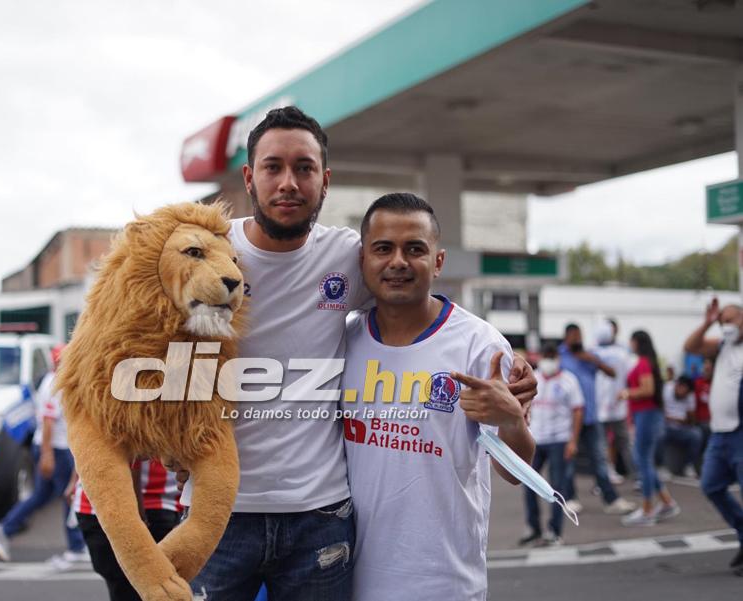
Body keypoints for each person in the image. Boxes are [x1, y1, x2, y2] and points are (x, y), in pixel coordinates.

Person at [180, 106, 538, 600]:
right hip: (217, 509)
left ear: (325, 181)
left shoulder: (348, 256)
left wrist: (511, 379)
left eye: (304, 168)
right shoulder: (199, 254)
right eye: (273, 167)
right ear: (248, 176)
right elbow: (139, 342)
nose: (289, 182)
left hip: (320, 519)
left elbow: (416, 301)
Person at [340, 193, 534, 601]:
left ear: (438, 262)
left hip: (444, 583)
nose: (398, 262)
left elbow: (514, 471)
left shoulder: (480, 345)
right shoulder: (344, 338)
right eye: (383, 249)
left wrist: (512, 420)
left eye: (415, 249)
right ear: (363, 260)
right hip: (347, 579)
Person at [0, 345, 88, 565]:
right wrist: (47, 454)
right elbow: (48, 420)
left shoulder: (53, 381)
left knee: (43, 495)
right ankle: (76, 546)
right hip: (56, 447)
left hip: (53, 446)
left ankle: (5, 528)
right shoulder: (55, 384)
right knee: (70, 494)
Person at [683, 299, 743, 573]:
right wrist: (707, 322)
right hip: (720, 434)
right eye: (722, 322)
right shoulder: (723, 346)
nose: (725, 326)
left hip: (740, 432)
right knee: (711, 485)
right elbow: (690, 347)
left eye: (729, 320)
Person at [71, 459, 182, 601]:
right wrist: (136, 514)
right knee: (147, 588)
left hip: (102, 505)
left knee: (129, 588)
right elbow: (131, 456)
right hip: (144, 506)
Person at [560, 324, 636, 515]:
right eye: (574, 337)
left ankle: (611, 499)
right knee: (568, 461)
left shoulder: (589, 355)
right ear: (566, 337)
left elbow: (612, 373)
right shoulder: (561, 356)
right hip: (569, 418)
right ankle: (569, 498)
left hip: (591, 416)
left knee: (599, 459)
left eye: (580, 336)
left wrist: (593, 360)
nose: (577, 340)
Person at [520, 343, 584, 547]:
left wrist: (573, 440)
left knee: (556, 488)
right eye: (545, 356)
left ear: (557, 357)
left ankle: (555, 531)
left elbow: (578, 410)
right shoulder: (534, 378)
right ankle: (533, 528)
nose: (548, 360)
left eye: (551, 356)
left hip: (559, 440)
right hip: (536, 439)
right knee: (528, 483)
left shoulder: (568, 381)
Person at [620, 330, 680, 526]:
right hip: (645, 415)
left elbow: (648, 389)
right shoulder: (647, 362)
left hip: (647, 414)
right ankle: (666, 502)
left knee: (642, 460)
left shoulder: (644, 363)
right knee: (644, 460)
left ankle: (647, 509)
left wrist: (627, 393)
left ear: (637, 342)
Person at [594, 318, 634, 484]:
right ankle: (638, 476)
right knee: (624, 443)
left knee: (603, 444)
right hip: (618, 404)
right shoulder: (623, 353)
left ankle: (605, 477)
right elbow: (630, 375)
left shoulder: (592, 353)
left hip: (600, 406)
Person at [662, 375, 702, 477]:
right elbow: (661, 414)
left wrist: (679, 419)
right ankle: (662, 466)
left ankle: (689, 466)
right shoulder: (666, 389)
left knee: (696, 435)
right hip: (665, 426)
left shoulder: (690, 395)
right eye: (685, 391)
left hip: (682, 428)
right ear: (679, 386)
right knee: (658, 433)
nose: (685, 396)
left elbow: (690, 420)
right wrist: (676, 419)